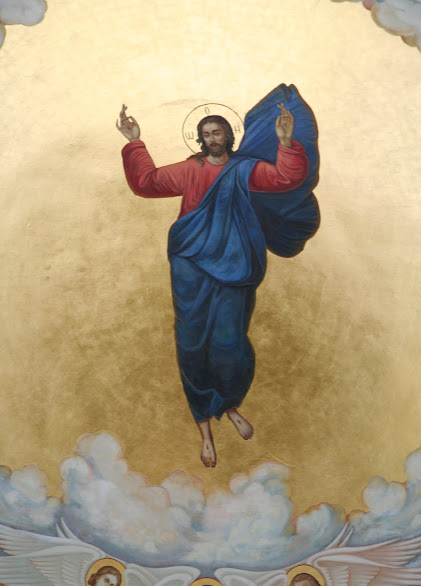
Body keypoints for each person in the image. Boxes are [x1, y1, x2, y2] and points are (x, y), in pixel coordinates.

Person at [117, 85, 319, 468]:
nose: (212, 138)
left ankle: (229, 405)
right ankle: (204, 425)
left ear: (228, 135)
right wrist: (134, 142)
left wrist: (286, 141)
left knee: (229, 343)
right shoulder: (190, 169)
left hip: (234, 267)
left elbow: (285, 179)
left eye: (218, 132)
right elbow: (147, 183)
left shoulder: (244, 169)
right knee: (191, 342)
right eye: (206, 134)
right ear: (200, 139)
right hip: (190, 265)